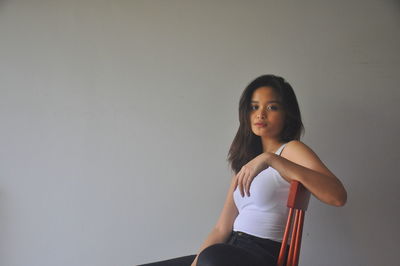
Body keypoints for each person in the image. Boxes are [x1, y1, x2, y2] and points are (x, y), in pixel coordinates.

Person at [137, 74, 347, 266]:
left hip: (262, 255)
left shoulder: (291, 150)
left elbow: (337, 196)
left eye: (272, 107)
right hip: (229, 251)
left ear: (287, 114)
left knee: (213, 258)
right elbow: (221, 229)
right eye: (254, 107)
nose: (260, 114)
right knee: (207, 257)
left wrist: (272, 159)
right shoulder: (246, 165)